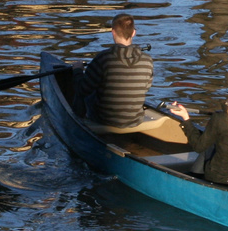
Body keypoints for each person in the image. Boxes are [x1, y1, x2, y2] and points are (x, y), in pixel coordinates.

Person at [79, 13, 185, 142]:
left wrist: (77, 71)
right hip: (135, 120)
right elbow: (145, 87)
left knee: (86, 93)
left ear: (113, 32)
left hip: (104, 120)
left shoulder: (103, 58)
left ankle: (75, 121)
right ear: (133, 33)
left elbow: (83, 89)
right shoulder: (147, 60)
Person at [166, 78, 228, 187]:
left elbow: (198, 146)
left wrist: (186, 119)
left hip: (220, 177)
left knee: (206, 146)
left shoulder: (220, 119)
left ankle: (193, 178)